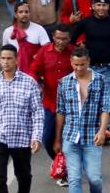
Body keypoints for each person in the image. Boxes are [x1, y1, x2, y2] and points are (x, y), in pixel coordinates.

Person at [0, 44, 43, 193]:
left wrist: (36, 137)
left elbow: (37, 112)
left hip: (21, 138)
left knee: (24, 176)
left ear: (17, 60)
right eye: (3, 58)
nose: (6, 62)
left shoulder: (29, 83)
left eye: (9, 58)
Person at [69, 0, 110, 141]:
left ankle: (105, 130)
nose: (101, 8)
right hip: (90, 69)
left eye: (104, 5)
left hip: (108, 68)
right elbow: (71, 39)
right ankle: (93, 128)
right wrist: (78, 51)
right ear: (93, 7)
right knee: (90, 98)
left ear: (108, 7)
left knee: (105, 99)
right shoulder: (85, 23)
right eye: (98, 5)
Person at [54, 47, 110, 193]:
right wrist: (57, 139)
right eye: (76, 64)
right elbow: (60, 112)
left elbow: (105, 108)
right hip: (70, 137)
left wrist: (102, 131)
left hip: (92, 137)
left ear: (88, 62)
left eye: (82, 64)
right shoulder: (64, 82)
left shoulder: (100, 80)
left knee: (95, 179)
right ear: (71, 62)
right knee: (74, 179)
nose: (79, 68)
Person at [29, 24, 74, 181]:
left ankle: (67, 168)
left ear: (69, 39)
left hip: (70, 105)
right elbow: (33, 70)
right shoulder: (44, 52)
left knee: (68, 140)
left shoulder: (74, 53)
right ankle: (58, 163)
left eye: (64, 39)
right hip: (49, 103)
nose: (61, 42)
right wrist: (35, 84)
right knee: (48, 138)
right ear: (53, 37)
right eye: (58, 38)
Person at [2, 1, 52, 74]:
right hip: (14, 72)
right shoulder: (8, 31)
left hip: (34, 72)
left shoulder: (39, 29)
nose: (24, 14)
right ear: (16, 15)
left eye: (26, 12)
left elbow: (47, 50)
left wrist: (38, 56)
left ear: (30, 14)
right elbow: (4, 53)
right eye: (21, 12)